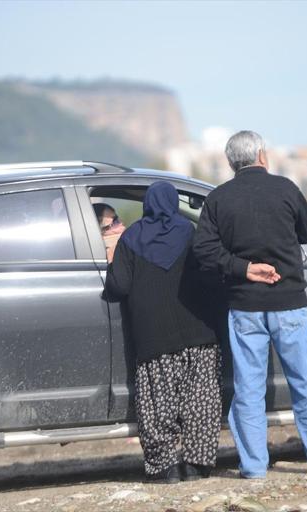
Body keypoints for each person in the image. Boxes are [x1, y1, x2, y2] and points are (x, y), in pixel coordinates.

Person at [193, 130, 307, 479]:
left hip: (245, 306)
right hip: (289, 302)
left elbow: (203, 251)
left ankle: (253, 466)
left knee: (248, 389)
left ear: (231, 162)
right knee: (305, 382)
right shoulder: (286, 189)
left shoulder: (217, 200)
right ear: (262, 155)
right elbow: (306, 233)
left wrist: (244, 268)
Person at [104, 181, 222, 484]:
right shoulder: (189, 232)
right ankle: (197, 466)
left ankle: (165, 468)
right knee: (201, 402)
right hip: (199, 333)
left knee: (158, 406)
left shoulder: (131, 238)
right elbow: (209, 273)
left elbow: (119, 286)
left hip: (154, 338)